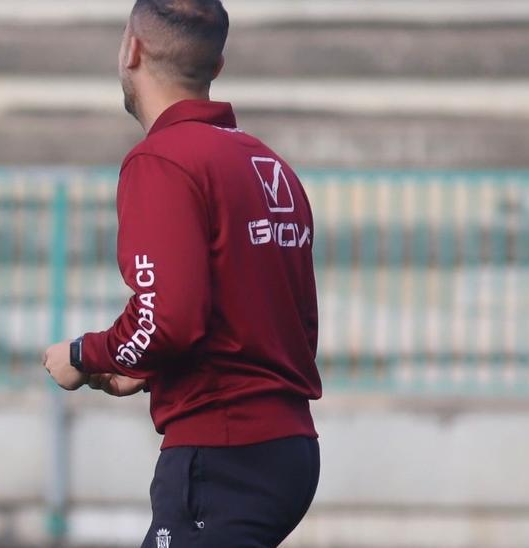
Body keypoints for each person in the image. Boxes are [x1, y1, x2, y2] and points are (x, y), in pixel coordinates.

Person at [41, 1, 322, 546]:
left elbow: (167, 317)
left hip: (223, 453)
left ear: (131, 50)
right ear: (216, 67)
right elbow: (249, 319)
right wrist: (146, 365)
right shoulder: (266, 163)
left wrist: (83, 354)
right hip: (287, 446)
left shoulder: (163, 160)